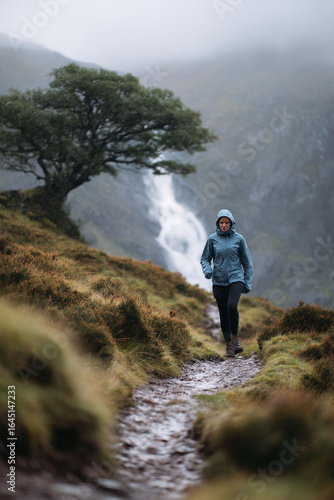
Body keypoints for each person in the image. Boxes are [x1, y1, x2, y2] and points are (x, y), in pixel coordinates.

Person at [200, 209, 253, 358]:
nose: (224, 225)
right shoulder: (212, 239)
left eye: (226, 222)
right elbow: (204, 258)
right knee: (223, 313)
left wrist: (247, 282)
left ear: (231, 223)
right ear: (218, 223)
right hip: (218, 281)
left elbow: (247, 263)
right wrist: (207, 271)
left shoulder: (239, 239)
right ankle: (228, 345)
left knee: (231, 306)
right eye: (221, 222)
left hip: (236, 279)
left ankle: (235, 339)